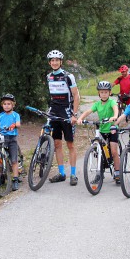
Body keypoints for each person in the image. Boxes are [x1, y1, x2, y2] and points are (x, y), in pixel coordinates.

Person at [46, 49, 80, 186]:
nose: (54, 62)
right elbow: (52, 96)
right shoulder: (49, 77)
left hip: (67, 113)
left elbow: (76, 96)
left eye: (57, 60)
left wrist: (74, 114)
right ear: (50, 63)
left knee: (70, 144)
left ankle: (73, 174)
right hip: (54, 113)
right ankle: (61, 173)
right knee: (57, 144)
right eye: (52, 60)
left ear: (61, 62)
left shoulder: (68, 76)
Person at [77, 81, 120, 180]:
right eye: (102, 92)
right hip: (102, 130)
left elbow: (115, 109)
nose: (104, 94)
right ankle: (100, 172)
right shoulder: (97, 104)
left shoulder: (111, 102)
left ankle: (117, 172)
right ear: (99, 94)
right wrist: (80, 118)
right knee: (99, 150)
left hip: (112, 129)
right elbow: (88, 111)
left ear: (109, 93)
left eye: (106, 92)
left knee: (113, 151)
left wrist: (114, 116)